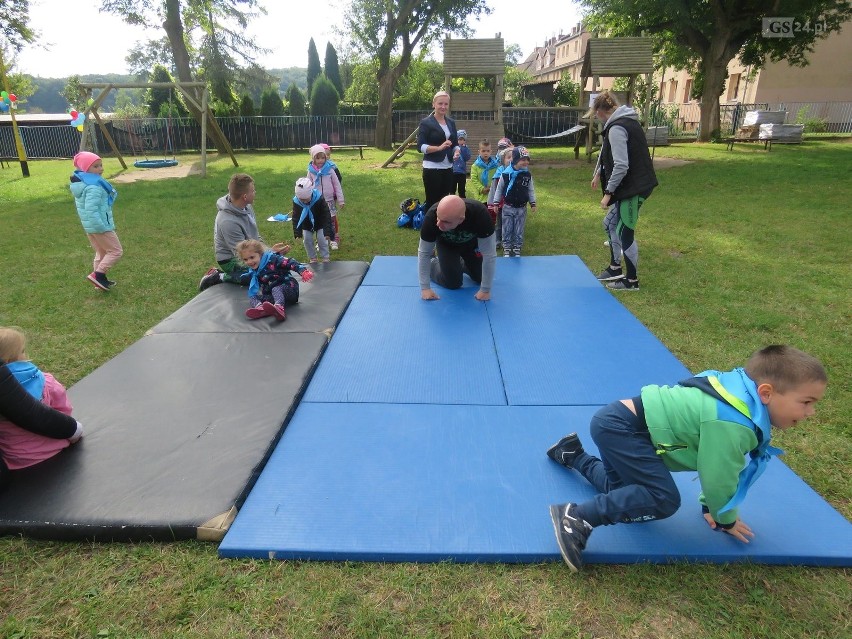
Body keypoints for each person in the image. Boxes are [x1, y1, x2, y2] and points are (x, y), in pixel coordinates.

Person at [547, 344, 828, 572]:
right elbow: (719, 476)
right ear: (766, 393)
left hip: (616, 422)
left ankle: (572, 453)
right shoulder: (734, 423)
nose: (811, 412)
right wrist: (725, 516)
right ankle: (576, 517)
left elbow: (720, 465)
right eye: (806, 402)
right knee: (662, 499)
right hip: (626, 430)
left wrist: (709, 506)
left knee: (624, 496)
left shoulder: (740, 397)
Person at [590, 90, 658, 291]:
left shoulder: (617, 127)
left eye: (596, 114)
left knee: (624, 230)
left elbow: (621, 165)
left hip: (633, 188)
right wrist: (598, 172)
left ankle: (632, 281)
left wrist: (608, 193)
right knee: (610, 224)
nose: (596, 118)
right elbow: (607, 154)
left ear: (602, 111)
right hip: (630, 185)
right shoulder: (624, 121)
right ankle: (614, 267)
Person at [0, 327, 83, 489]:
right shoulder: (45, 381)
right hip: (55, 448)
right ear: (9, 360)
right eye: (22, 351)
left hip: (16, 461)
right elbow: (63, 408)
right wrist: (72, 430)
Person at [199, 173, 289, 291]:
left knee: (274, 266)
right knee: (262, 275)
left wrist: (270, 252)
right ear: (245, 196)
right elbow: (242, 254)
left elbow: (255, 238)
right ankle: (218, 276)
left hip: (248, 251)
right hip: (232, 258)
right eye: (253, 190)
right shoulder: (227, 222)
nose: (255, 192)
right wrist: (267, 257)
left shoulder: (247, 208)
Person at [418, 194, 497, 302]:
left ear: (461, 219)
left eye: (446, 221)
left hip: (471, 245)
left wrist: (485, 290)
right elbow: (424, 253)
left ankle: (459, 264)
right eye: (438, 217)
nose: (438, 224)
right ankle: (434, 261)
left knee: (481, 277)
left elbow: (489, 254)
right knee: (452, 282)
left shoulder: (480, 215)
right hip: (447, 245)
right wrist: (425, 288)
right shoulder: (431, 216)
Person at [69, 151, 122, 291]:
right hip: (99, 226)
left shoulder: (82, 183)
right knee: (116, 251)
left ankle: (98, 282)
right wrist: (101, 227)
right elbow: (91, 210)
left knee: (101, 252)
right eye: (96, 166)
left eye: (101, 165)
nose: (101, 169)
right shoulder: (93, 187)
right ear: (86, 169)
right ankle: (98, 274)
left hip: (90, 227)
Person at [235, 239, 314, 322]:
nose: (249, 262)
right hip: (274, 296)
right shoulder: (254, 270)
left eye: (252, 257)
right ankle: (261, 309)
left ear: (260, 254)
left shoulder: (273, 259)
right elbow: (247, 278)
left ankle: (279, 308)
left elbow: (290, 262)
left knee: (276, 289)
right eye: (246, 260)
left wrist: (303, 271)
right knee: (253, 297)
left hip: (289, 289)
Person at [417, 90, 460, 212]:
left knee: (445, 200)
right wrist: (439, 148)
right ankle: (430, 228)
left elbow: (455, 143)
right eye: (440, 103)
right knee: (432, 201)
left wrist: (456, 151)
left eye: (446, 104)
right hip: (432, 167)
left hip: (448, 167)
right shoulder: (426, 123)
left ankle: (443, 226)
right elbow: (420, 146)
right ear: (433, 104)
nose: (443, 107)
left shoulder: (451, 122)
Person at [493, 146, 537, 257]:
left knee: (519, 229)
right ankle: (507, 248)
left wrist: (533, 203)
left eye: (528, 159)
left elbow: (531, 190)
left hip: (521, 207)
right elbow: (499, 189)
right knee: (507, 228)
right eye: (523, 159)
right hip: (508, 207)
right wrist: (496, 202)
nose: (526, 162)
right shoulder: (506, 174)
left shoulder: (527, 176)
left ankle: (517, 247)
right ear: (516, 159)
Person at [307, 144, 345, 250]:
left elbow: (337, 185)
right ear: (313, 158)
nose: (320, 160)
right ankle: (321, 241)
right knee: (318, 221)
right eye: (318, 158)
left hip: (329, 200)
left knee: (332, 220)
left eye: (322, 157)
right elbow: (308, 185)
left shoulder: (330, 170)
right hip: (317, 201)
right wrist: (306, 198)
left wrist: (341, 200)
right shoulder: (310, 171)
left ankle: (333, 239)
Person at [292, 177, 332, 264]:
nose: (304, 202)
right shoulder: (296, 202)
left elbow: (326, 215)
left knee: (322, 239)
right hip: (307, 224)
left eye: (306, 199)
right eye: (301, 200)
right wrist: (297, 232)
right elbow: (296, 217)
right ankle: (312, 258)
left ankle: (325, 257)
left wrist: (327, 231)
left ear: (311, 193)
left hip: (320, 222)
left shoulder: (319, 199)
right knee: (307, 239)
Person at [487, 139, 514, 249]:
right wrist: (494, 203)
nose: (511, 160)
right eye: (508, 158)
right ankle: (497, 240)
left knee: (510, 223)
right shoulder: (499, 172)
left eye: (513, 157)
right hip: (501, 204)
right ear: (503, 160)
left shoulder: (517, 171)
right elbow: (494, 188)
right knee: (499, 223)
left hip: (512, 203)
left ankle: (508, 240)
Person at [451, 129, 471, 198]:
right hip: (453, 171)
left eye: (463, 139)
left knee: (461, 190)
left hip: (462, 172)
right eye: (459, 139)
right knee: (452, 189)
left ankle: (463, 203)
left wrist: (464, 148)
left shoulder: (466, 148)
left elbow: (467, 157)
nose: (461, 141)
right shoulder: (453, 148)